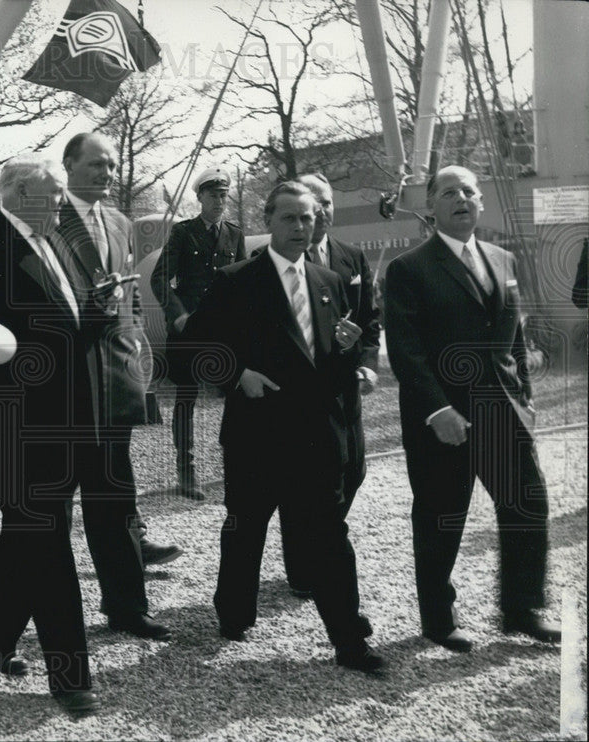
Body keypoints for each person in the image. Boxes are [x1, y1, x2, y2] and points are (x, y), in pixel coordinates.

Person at [185, 180, 383, 673]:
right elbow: (191, 351)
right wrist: (235, 375)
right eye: (290, 218)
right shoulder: (235, 280)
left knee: (330, 537)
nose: (301, 226)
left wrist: (348, 350)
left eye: (309, 217)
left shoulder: (330, 283)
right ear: (268, 222)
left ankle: (348, 638)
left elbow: (334, 366)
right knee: (246, 528)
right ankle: (233, 612)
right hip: (258, 436)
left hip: (316, 438)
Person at [0, 155, 100, 715]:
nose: (62, 201)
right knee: (49, 544)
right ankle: (70, 674)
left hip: (66, 423)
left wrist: (93, 313)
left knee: (27, 538)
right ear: (17, 192)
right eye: (54, 192)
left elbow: (55, 331)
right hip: (12, 428)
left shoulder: (52, 244)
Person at [385, 165, 561, 652]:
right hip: (445, 420)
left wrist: (525, 399)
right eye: (448, 192)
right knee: (443, 516)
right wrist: (437, 410)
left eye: (468, 191)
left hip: (503, 412)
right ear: (431, 207)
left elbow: (515, 339)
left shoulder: (503, 260)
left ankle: (521, 609)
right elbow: (406, 351)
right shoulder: (408, 269)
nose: (460, 198)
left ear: (481, 203)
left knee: (526, 506)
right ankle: (439, 620)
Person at [56, 132, 183, 586]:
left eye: (111, 165)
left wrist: (137, 349)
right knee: (56, 503)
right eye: (96, 164)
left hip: (115, 376)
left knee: (114, 492)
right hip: (67, 380)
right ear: (68, 164)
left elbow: (127, 295)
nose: (107, 173)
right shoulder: (47, 220)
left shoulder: (119, 222)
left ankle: (127, 600)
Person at [281, 172, 381, 598]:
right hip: (300, 393)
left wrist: (368, 363)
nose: (322, 210)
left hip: (345, 387)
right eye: (314, 202)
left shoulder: (351, 257)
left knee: (353, 470)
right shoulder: (282, 259)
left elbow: (370, 319)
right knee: (302, 479)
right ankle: (305, 567)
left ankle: (321, 539)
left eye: (328, 202)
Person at [151, 167, 246, 500]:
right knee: (186, 398)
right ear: (200, 198)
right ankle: (186, 473)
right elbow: (159, 278)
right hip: (189, 327)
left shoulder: (234, 234)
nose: (220, 201)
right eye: (213, 196)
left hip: (224, 328)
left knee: (239, 393)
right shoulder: (183, 232)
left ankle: (240, 465)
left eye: (224, 195)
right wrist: (177, 316)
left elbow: (243, 281)